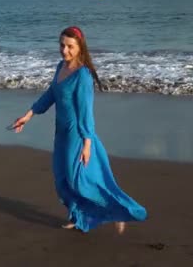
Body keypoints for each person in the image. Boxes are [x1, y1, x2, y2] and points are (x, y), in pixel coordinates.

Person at [9, 26, 147, 234]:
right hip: (61, 133)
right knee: (62, 180)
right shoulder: (60, 67)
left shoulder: (82, 75)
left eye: (70, 46)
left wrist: (87, 144)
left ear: (80, 47)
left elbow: (85, 112)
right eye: (62, 45)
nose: (65, 51)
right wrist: (28, 116)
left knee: (79, 182)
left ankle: (118, 211)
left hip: (77, 134)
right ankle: (78, 217)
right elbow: (51, 95)